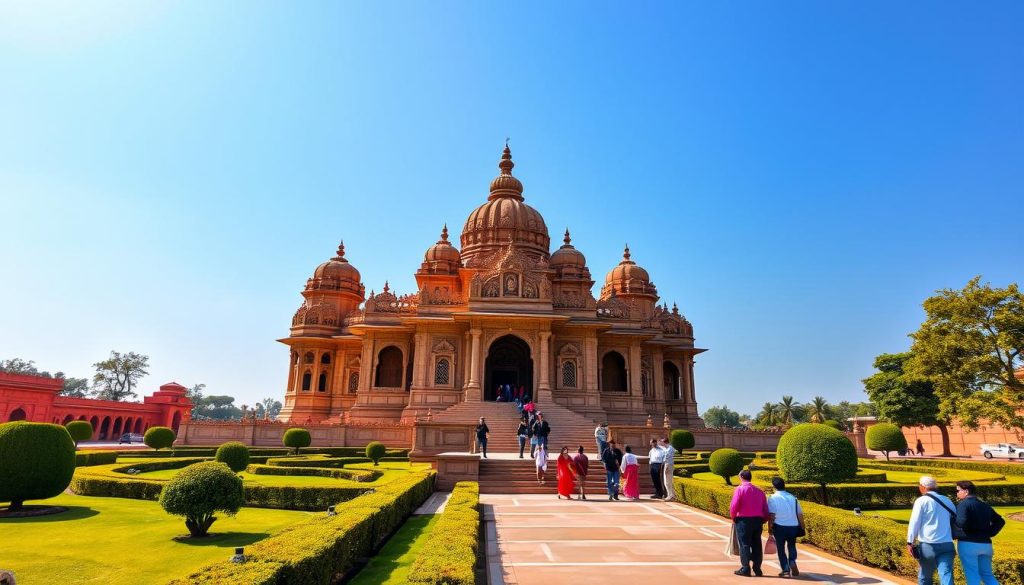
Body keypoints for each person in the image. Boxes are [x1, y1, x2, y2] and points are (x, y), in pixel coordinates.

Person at [907, 475, 955, 585]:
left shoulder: (921, 501)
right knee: (946, 575)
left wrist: (910, 542)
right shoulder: (947, 500)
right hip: (947, 544)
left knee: (925, 577)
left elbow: (914, 522)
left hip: (928, 545)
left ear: (922, 487)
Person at [955, 480, 1005, 585]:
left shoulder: (963, 504)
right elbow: (1000, 521)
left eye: (958, 490)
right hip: (986, 545)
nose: (957, 493)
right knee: (987, 575)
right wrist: (990, 532)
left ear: (966, 491)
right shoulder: (984, 505)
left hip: (968, 544)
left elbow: (961, 522)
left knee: (972, 575)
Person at [730, 469, 769, 577]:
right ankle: (757, 568)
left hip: (744, 520)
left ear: (742, 477)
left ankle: (745, 568)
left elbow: (734, 505)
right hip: (757, 520)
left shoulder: (739, 489)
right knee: (757, 544)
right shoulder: (759, 491)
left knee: (744, 544)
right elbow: (765, 508)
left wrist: (733, 517)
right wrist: (764, 519)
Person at [767, 477, 804, 578]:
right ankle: (792, 561)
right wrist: (802, 527)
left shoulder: (772, 498)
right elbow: (800, 514)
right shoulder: (793, 497)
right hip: (793, 526)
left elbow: (772, 515)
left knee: (781, 548)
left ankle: (785, 569)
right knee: (791, 545)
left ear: (773, 487)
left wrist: (769, 528)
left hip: (780, 526)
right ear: (784, 485)